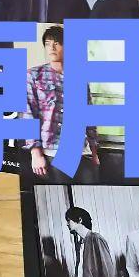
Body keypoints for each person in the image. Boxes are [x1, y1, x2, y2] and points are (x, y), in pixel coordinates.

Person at [25, 25, 100, 183]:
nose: (51, 48)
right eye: (48, 44)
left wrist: (94, 152)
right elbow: (28, 114)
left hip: (82, 152)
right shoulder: (34, 75)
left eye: (57, 43)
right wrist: (35, 154)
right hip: (52, 152)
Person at [65, 206, 117, 277]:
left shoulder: (96, 239)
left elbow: (108, 273)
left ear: (79, 220)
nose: (67, 224)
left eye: (68, 220)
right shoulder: (81, 244)